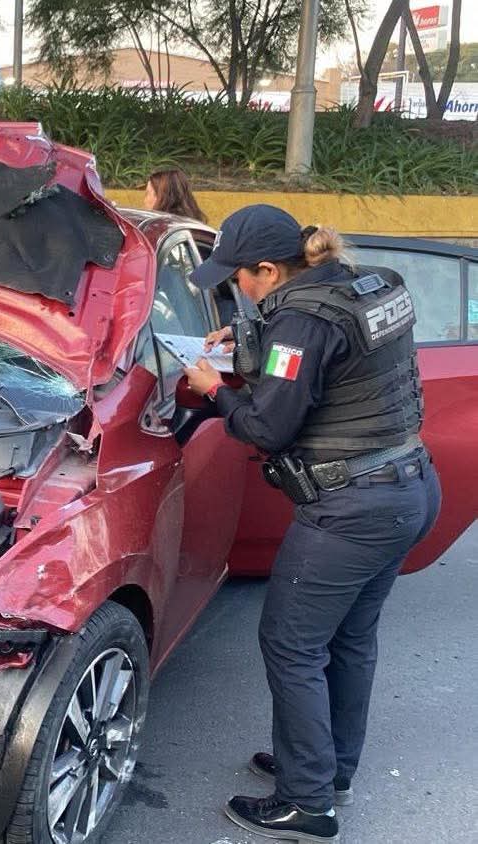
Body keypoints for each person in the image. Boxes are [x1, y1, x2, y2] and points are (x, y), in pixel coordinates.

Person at [183, 205, 441, 843]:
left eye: (237, 277)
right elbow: (329, 364)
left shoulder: (300, 320)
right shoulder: (366, 283)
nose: (234, 288)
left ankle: (306, 804)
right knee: (350, 640)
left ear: (268, 270)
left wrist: (215, 388)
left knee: (292, 645)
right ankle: (329, 772)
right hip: (409, 487)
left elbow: (269, 424)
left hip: (350, 510)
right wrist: (244, 345)